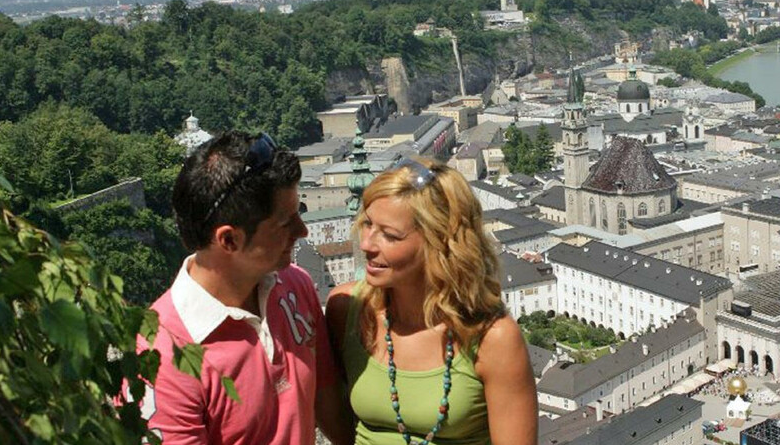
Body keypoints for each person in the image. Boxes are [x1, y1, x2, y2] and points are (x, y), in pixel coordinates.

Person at [140, 131, 352, 445]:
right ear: (229, 239)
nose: (302, 230)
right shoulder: (165, 353)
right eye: (285, 222)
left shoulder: (295, 286)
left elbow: (330, 408)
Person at [327, 157, 538, 445]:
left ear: (440, 243)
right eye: (367, 224)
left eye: (389, 235)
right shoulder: (347, 308)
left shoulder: (492, 338)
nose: (366, 244)